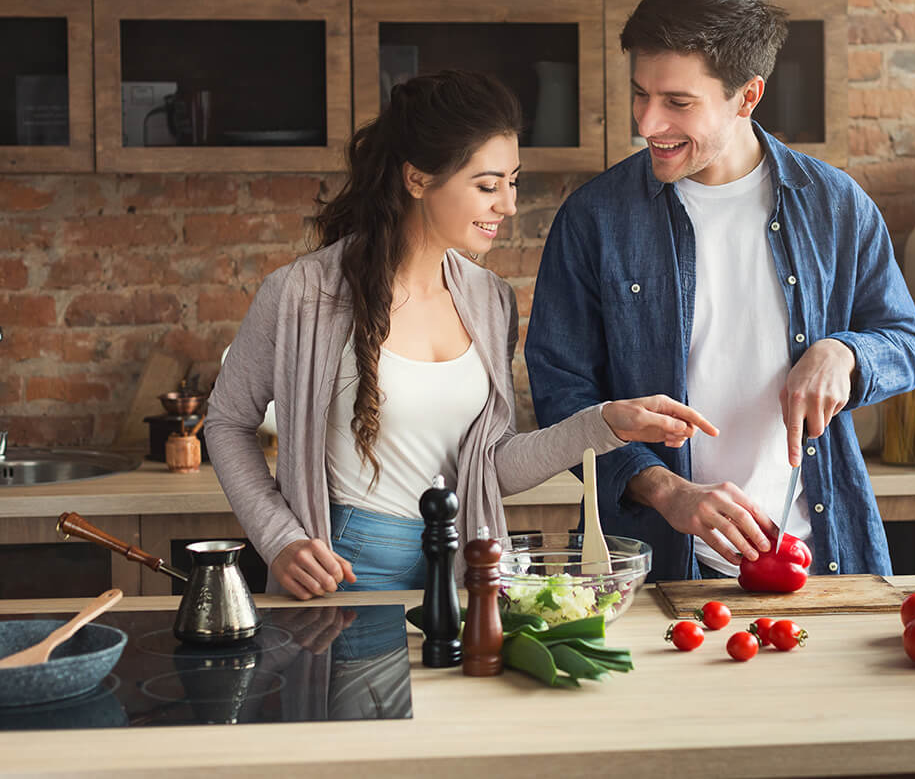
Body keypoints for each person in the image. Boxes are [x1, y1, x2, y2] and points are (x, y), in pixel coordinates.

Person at [206, 70, 716, 600]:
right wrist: (279, 538)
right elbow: (226, 422)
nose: (508, 205)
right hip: (346, 570)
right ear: (418, 179)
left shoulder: (489, 300)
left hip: (465, 569)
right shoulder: (301, 294)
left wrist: (605, 423)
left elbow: (489, 466)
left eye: (512, 182)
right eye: (487, 185)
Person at [525, 0, 915, 583]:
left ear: (747, 96)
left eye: (678, 103)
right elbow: (563, 395)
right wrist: (665, 489)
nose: (647, 123)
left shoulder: (836, 206)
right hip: (655, 569)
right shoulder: (595, 219)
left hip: (817, 559)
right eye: (641, 94)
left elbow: (907, 342)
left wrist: (844, 353)